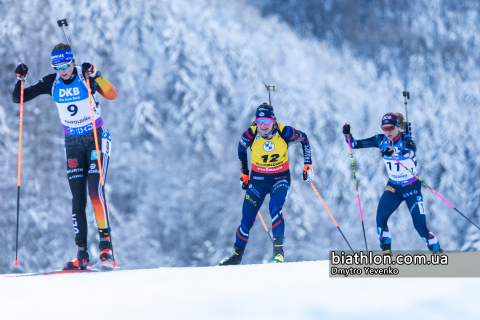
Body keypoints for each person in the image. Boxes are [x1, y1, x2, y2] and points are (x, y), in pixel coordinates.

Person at [12, 43, 116, 269]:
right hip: (72, 144)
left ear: (72, 61)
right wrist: (20, 80)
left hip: (96, 137)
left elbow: (112, 94)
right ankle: (82, 253)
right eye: (57, 67)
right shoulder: (52, 82)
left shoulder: (85, 76)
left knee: (94, 190)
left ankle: (106, 248)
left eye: (65, 65)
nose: (62, 71)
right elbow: (19, 98)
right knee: (77, 198)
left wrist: (96, 75)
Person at [219, 103, 314, 265]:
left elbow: (304, 139)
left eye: (266, 121)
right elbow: (241, 149)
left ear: (273, 120)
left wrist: (308, 164)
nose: (263, 125)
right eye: (259, 121)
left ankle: (278, 253)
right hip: (258, 181)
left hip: (280, 178)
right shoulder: (250, 134)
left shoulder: (285, 132)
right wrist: (245, 174)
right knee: (246, 220)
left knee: (275, 208)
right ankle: (236, 257)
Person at [343, 113, 442, 254]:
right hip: (394, 187)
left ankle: (439, 253)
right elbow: (353, 144)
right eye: (384, 129)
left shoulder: (406, 139)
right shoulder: (380, 139)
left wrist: (395, 151)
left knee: (421, 227)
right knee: (380, 219)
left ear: (397, 127)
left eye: (390, 128)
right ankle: (386, 256)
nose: (387, 131)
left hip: (411, 188)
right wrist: (348, 136)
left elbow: (411, 152)